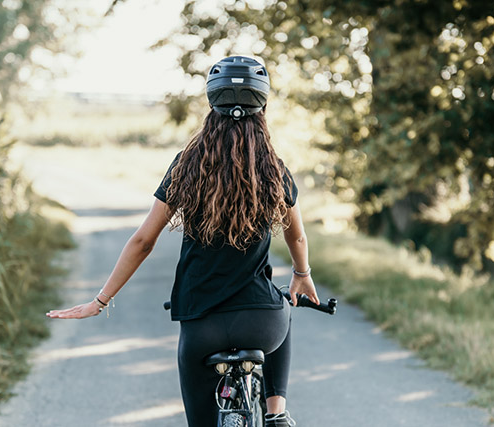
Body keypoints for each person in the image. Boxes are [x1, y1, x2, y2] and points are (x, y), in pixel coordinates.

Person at [47, 56, 320, 427]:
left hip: (200, 327)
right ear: (263, 106)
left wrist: (100, 300)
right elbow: (297, 234)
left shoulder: (188, 165)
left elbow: (144, 240)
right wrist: (301, 274)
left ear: (211, 104)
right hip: (262, 324)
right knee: (283, 303)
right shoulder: (273, 168)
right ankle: (276, 414)